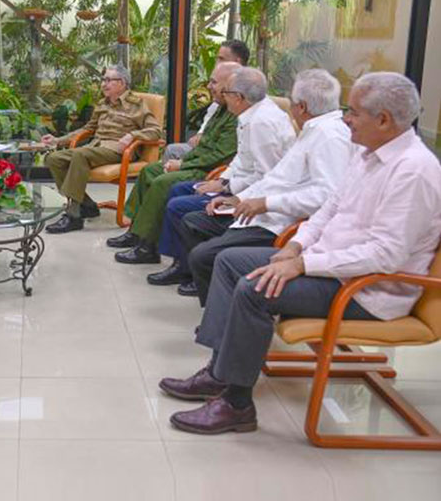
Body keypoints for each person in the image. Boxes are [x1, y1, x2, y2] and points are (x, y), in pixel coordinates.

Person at [161, 72, 441, 436]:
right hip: (331, 266)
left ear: (384, 120)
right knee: (228, 262)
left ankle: (237, 404)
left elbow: (384, 256)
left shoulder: (414, 172)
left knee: (254, 288)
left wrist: (303, 263)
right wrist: (295, 245)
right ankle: (220, 372)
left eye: (354, 112)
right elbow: (329, 209)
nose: (345, 119)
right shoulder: (369, 155)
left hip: (367, 290)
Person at [175, 69, 352, 305]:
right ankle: (221, 312)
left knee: (204, 256)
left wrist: (264, 203)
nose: (349, 119)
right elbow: (275, 177)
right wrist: (239, 198)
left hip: (278, 221)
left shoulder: (329, 137)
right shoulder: (314, 131)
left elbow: (325, 196)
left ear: (302, 107)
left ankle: (224, 314)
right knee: (195, 223)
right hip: (260, 208)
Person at [141, 66, 297, 281]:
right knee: (179, 191)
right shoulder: (250, 115)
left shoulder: (262, 123)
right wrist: (222, 181)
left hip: (255, 200)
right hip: (235, 184)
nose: (222, 96)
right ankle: (179, 261)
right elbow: (240, 160)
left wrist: (227, 190)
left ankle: (189, 268)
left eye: (227, 93)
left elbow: (265, 176)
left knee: (180, 206)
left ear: (239, 97)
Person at [105, 62, 240, 262]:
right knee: (150, 171)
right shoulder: (220, 108)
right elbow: (203, 146)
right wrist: (183, 160)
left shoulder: (234, 115)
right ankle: (135, 231)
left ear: (228, 84)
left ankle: (147, 247)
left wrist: (182, 165)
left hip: (210, 171)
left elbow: (219, 155)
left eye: (213, 82)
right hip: (196, 162)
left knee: (162, 182)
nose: (209, 86)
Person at [42, 64, 162, 234]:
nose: (103, 84)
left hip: (118, 150)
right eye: (103, 80)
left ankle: (74, 215)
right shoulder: (102, 104)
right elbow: (87, 129)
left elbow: (156, 131)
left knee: (80, 155)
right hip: (96, 148)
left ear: (122, 83)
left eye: (108, 80)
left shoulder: (136, 104)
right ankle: (87, 204)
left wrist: (133, 136)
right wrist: (58, 140)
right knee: (53, 159)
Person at [162, 40, 250, 161]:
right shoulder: (220, 98)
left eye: (221, 59)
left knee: (172, 153)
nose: (217, 63)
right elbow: (211, 114)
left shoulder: (240, 96)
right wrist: (200, 133)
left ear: (237, 62)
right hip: (205, 145)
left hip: (216, 153)